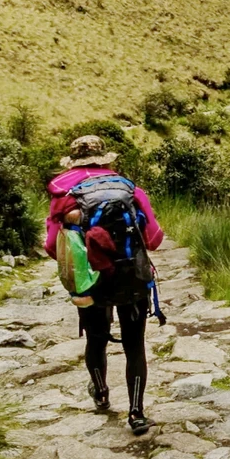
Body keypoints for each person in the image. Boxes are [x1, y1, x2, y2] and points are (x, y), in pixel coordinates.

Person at [43, 135, 166, 435]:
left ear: (73, 161)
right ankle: (137, 413)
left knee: (95, 339)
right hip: (132, 277)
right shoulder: (130, 189)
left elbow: (50, 246)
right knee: (134, 346)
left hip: (91, 281)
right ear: (106, 160)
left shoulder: (64, 194)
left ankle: (100, 393)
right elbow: (153, 239)